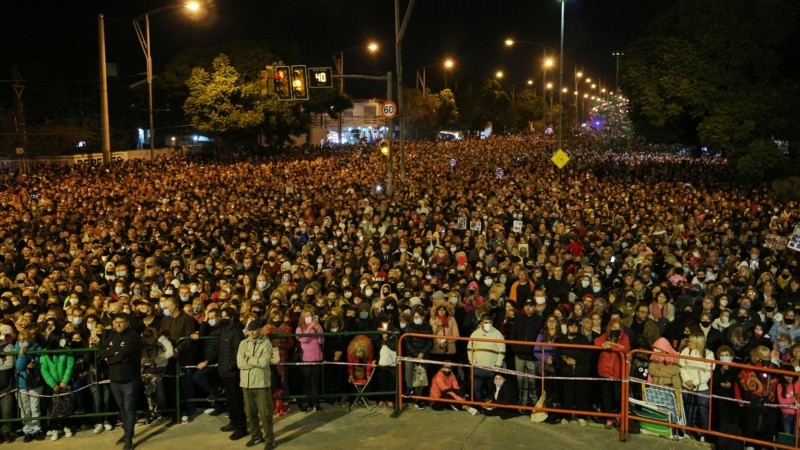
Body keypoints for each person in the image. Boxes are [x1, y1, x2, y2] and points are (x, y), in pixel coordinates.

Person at [98, 313, 142, 450]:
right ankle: (127, 432)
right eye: (116, 322)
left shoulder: (133, 337)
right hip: (115, 379)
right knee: (122, 408)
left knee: (129, 409)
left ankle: (129, 438)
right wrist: (114, 354)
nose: (118, 324)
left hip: (129, 379)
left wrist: (110, 358)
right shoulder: (113, 334)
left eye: (121, 322)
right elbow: (102, 351)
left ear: (127, 322)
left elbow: (124, 355)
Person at [237, 319, 277, 450]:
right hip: (246, 384)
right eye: (250, 330)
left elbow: (264, 363)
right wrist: (255, 360)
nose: (252, 332)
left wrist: (247, 359)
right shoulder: (243, 343)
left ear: (259, 329)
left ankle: (270, 438)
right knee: (250, 412)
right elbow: (240, 364)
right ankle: (256, 436)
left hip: (261, 384)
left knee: (265, 413)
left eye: (254, 329)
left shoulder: (266, 344)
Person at [217, 307, 248, 441]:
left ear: (232, 317)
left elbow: (237, 352)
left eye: (225, 316)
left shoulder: (236, 332)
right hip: (224, 371)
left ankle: (241, 427)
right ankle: (233, 422)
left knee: (236, 400)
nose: (222, 319)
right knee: (229, 400)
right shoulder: (225, 330)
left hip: (232, 372)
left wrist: (230, 366)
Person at [594, 317, 630, 429]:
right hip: (605, 370)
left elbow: (626, 348)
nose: (616, 329)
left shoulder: (624, 337)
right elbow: (597, 342)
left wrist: (612, 346)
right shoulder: (605, 336)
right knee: (606, 396)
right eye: (614, 327)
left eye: (618, 328)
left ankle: (617, 415)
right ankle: (608, 418)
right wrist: (604, 344)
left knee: (617, 396)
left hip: (618, 372)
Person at [39, 331, 75, 441]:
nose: (64, 340)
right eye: (61, 338)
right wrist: (53, 384)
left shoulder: (67, 351)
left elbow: (70, 366)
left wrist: (65, 381)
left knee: (65, 405)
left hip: (64, 383)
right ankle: (55, 428)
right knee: (52, 407)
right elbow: (44, 369)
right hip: (51, 385)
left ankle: (67, 427)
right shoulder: (44, 353)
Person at [555, 318, 591, 425]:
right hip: (566, 371)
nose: (573, 328)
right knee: (567, 394)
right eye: (571, 326)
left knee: (581, 394)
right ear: (567, 327)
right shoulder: (561, 339)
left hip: (581, 371)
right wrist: (566, 362)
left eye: (575, 326)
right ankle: (566, 415)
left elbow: (588, 355)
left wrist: (576, 361)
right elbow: (558, 355)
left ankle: (581, 416)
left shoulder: (584, 339)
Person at [678, 332, 714, 439]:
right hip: (687, 385)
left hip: (702, 387)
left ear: (698, 343)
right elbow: (681, 366)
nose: (688, 342)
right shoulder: (685, 351)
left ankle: (704, 435)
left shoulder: (708, 354)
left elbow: (708, 372)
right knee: (689, 409)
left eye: (691, 341)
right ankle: (687, 432)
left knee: (703, 411)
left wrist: (695, 382)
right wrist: (687, 380)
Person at [510, 298, 544, 408]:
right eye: (526, 305)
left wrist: (536, 352)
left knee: (532, 382)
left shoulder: (540, 320)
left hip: (533, 357)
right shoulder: (518, 319)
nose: (527, 308)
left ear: (535, 307)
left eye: (530, 306)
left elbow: (542, 338)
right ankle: (522, 403)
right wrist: (516, 349)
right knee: (520, 381)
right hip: (519, 356)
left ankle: (533, 403)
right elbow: (512, 336)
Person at [467, 313, 506, 405]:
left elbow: (502, 349)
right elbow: (470, 349)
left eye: (489, 322)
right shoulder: (475, 334)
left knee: (491, 388)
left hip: (492, 368)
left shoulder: (497, 334)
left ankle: (490, 405)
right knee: (477, 388)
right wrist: (472, 361)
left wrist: (498, 363)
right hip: (477, 367)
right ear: (481, 322)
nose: (487, 324)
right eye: (485, 322)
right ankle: (479, 404)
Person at [15, 327, 44, 442]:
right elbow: (19, 366)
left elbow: (40, 362)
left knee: (35, 408)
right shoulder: (15, 349)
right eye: (20, 340)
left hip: (35, 383)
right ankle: (27, 431)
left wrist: (34, 363)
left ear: (30, 339)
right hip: (22, 383)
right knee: (24, 409)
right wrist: (22, 355)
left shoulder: (37, 348)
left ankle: (37, 430)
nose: (23, 342)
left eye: (25, 339)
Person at [140, 326, 173, 425]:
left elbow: (170, 351)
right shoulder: (142, 342)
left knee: (160, 394)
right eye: (147, 339)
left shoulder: (161, 340)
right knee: (147, 394)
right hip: (145, 370)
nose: (149, 341)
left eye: (151, 339)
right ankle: (151, 414)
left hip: (159, 371)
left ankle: (165, 413)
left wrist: (156, 360)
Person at [296, 309, 324, 413]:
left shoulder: (316, 327)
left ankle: (316, 403)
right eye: (307, 316)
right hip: (306, 359)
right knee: (306, 382)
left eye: (311, 315)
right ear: (303, 317)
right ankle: (305, 403)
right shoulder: (299, 328)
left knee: (315, 382)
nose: (310, 317)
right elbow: (303, 339)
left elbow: (321, 341)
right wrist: (310, 327)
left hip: (317, 358)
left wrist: (319, 329)